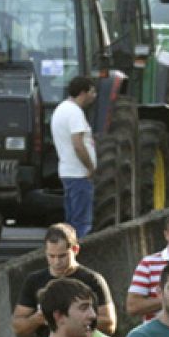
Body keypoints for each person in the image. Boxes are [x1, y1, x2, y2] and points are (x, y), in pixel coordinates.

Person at [12, 223, 116, 337]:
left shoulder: (92, 280)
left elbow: (109, 324)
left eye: (62, 256)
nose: (56, 262)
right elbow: (18, 327)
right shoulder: (34, 281)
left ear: (75, 250)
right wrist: (39, 318)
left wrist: (74, 319)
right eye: (51, 256)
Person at [51, 76, 99, 237]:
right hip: (79, 174)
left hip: (68, 172)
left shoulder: (61, 109)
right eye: (92, 92)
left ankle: (71, 250)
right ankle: (80, 251)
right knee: (82, 224)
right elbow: (78, 144)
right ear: (83, 93)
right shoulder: (74, 113)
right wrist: (90, 167)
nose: (94, 96)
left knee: (71, 223)